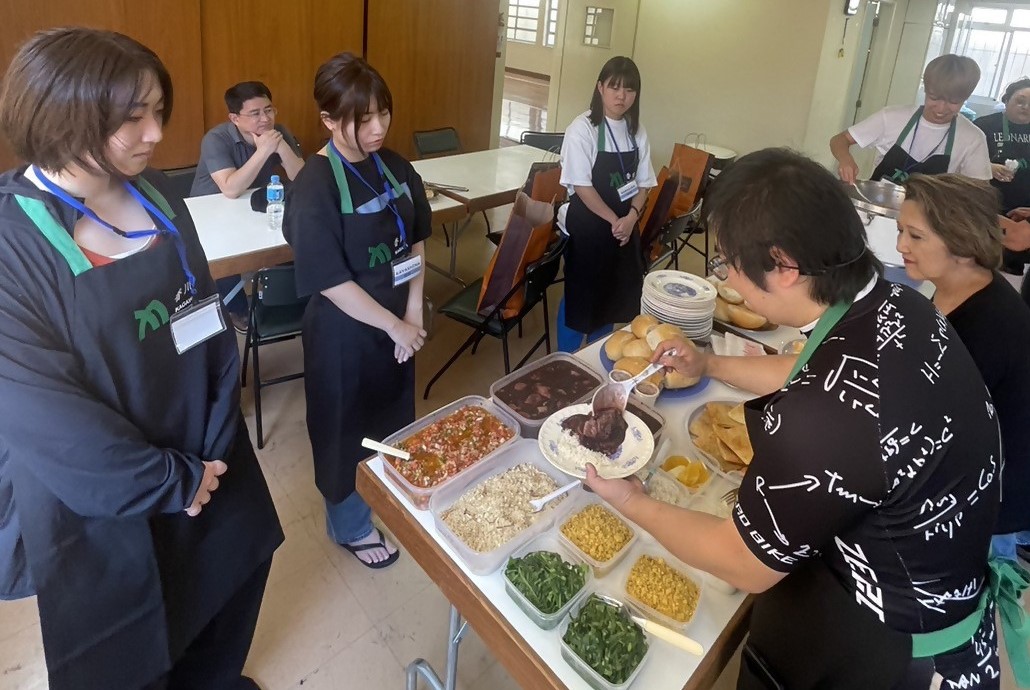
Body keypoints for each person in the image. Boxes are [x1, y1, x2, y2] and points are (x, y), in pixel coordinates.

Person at [584, 149, 1019, 688]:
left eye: (730, 264)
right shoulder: (900, 302)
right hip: (936, 594)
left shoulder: (822, 423)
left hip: (887, 653)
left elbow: (742, 562)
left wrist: (633, 501)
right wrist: (709, 362)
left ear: (784, 265)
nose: (731, 281)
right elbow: (819, 367)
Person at [0, 27, 282, 690]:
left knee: (232, 578)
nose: (155, 133)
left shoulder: (154, 192)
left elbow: (207, 312)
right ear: (61, 114)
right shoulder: (14, 242)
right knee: (124, 641)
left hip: (209, 440)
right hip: (107, 490)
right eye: (133, 118)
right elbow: (43, 416)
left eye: (158, 111)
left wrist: (216, 435)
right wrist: (170, 479)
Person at [284, 53, 430, 568]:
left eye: (383, 114)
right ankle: (349, 526)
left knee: (392, 420)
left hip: (398, 328)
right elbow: (329, 280)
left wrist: (412, 317)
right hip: (345, 335)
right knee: (346, 431)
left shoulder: (395, 166)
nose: (377, 128)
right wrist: (394, 324)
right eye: (362, 118)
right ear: (327, 119)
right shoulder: (315, 185)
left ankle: (384, 498)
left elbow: (415, 242)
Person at [897, 173, 1030, 562]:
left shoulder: (989, 328)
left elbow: (933, 437)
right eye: (901, 230)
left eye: (916, 236)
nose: (901, 244)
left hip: (989, 501)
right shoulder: (954, 283)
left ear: (963, 243)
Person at [556, 56, 656, 352]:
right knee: (581, 296)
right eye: (614, 87)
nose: (621, 96)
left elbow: (644, 184)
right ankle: (567, 358)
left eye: (629, 89)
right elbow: (582, 187)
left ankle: (598, 354)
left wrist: (632, 218)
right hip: (589, 224)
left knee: (612, 295)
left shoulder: (637, 130)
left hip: (625, 227)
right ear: (600, 88)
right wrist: (616, 220)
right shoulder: (583, 128)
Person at [191, 81, 306, 332]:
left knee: (294, 234)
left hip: (254, 205)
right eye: (255, 114)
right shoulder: (216, 139)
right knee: (224, 249)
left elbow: (304, 179)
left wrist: (282, 146)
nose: (265, 119)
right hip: (211, 211)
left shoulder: (279, 131)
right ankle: (237, 309)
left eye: (269, 110)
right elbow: (231, 188)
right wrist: (264, 151)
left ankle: (285, 297)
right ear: (234, 118)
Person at [831, 54, 991, 184]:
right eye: (934, 98)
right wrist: (846, 160)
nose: (941, 109)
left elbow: (980, 189)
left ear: (966, 98)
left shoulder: (973, 138)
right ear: (926, 90)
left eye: (953, 102)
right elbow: (839, 140)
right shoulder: (892, 117)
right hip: (879, 209)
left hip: (930, 219)